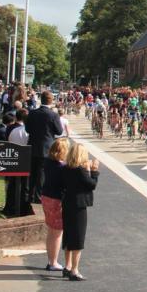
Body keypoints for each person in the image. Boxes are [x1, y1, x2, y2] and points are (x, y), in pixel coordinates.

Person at [61, 143, 99, 281]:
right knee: (78, 237)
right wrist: (94, 171)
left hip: (67, 203)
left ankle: (67, 265)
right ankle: (74, 269)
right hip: (79, 205)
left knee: (68, 234)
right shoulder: (81, 170)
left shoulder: (65, 168)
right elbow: (91, 185)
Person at [25, 91, 64, 203]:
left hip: (33, 145)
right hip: (46, 147)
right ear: (51, 101)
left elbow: (27, 129)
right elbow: (59, 131)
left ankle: (30, 195)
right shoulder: (53, 115)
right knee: (42, 173)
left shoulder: (32, 113)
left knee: (32, 172)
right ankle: (38, 196)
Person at [42, 137, 69, 274]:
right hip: (56, 200)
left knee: (51, 230)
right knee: (57, 232)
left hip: (46, 196)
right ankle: (53, 262)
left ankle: (50, 259)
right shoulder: (62, 167)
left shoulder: (48, 162)